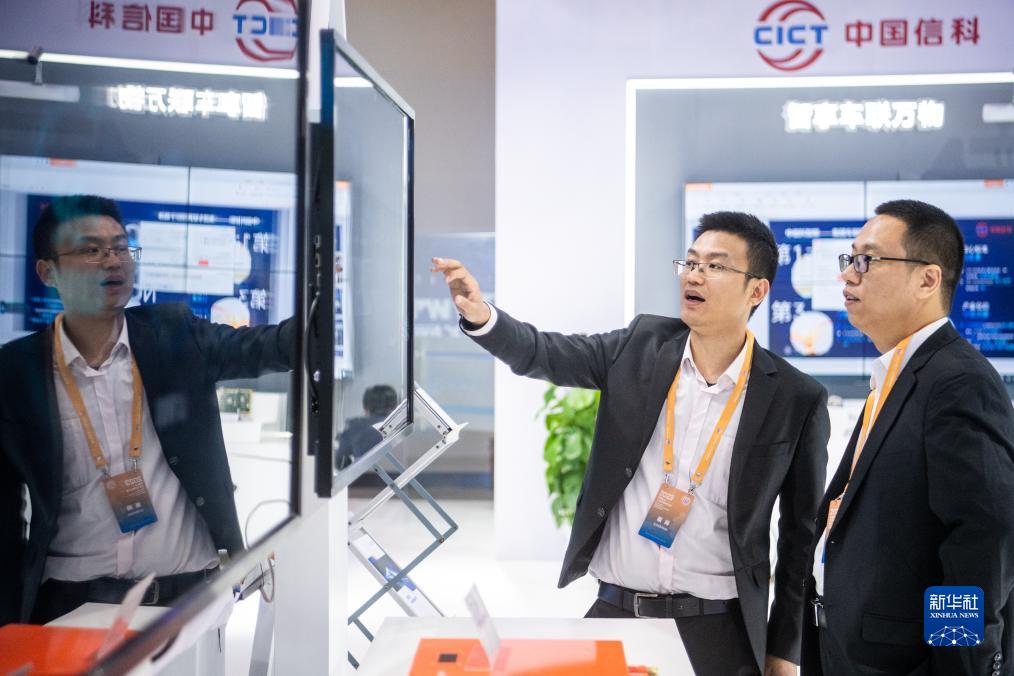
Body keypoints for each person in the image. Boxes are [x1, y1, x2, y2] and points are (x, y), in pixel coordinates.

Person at [434, 212, 830, 675]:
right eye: (691, 262)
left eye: (715, 266)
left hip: (719, 631)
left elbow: (800, 539)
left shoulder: (794, 397)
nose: (695, 275)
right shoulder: (641, 345)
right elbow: (546, 352)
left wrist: (784, 650)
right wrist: (483, 316)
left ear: (756, 291)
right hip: (617, 615)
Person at [0, 195, 295, 626]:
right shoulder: (15, 373)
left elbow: (271, 346)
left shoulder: (175, 334)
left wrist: (321, 306)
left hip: (186, 602)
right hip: (69, 608)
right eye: (91, 249)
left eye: (121, 247)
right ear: (48, 272)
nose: (113, 260)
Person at [801, 199, 1014, 675]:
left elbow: (979, 539)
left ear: (927, 280)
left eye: (868, 260)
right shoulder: (898, 373)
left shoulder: (958, 379)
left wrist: (958, 665)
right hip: (847, 652)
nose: (848, 275)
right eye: (850, 259)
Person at [335, 384, 399, 469]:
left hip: (364, 476)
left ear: (366, 408)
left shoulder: (354, 426)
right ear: (395, 406)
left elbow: (341, 463)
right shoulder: (403, 425)